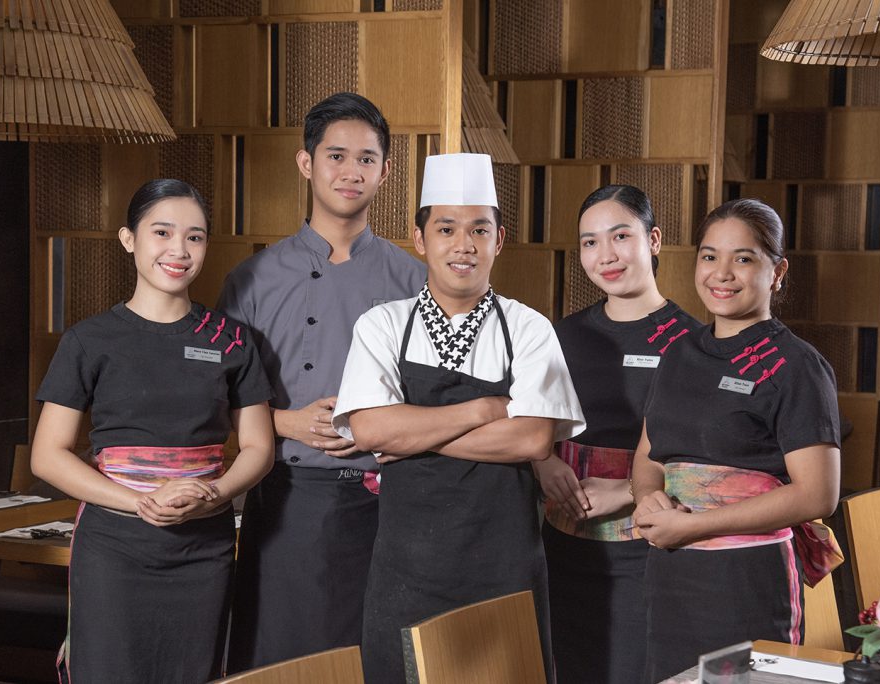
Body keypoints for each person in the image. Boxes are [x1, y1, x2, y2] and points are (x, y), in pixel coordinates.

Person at [332, 152, 586, 684]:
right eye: (446, 229)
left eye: (479, 230)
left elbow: (532, 440)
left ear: (499, 239)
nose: (463, 244)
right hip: (407, 569)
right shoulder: (382, 325)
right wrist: (484, 408)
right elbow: (369, 429)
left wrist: (408, 433)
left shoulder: (529, 328)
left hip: (504, 567)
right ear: (420, 239)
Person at [31, 179, 275, 683]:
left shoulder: (232, 341)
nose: (178, 250)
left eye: (194, 237)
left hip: (203, 546)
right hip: (113, 546)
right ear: (129, 239)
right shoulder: (88, 340)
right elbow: (48, 455)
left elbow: (258, 447)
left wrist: (214, 494)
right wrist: (140, 502)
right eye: (162, 232)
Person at [219, 92, 427, 670]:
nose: (351, 171)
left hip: (388, 502)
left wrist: (384, 429)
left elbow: (438, 398)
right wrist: (284, 421)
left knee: (375, 660)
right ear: (306, 163)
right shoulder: (252, 278)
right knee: (280, 661)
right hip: (286, 500)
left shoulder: (415, 280)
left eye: (366, 159)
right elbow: (215, 397)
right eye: (336, 156)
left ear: (386, 172)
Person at [618, 198, 842, 681]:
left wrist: (694, 527)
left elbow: (818, 494)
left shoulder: (798, 367)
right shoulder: (678, 353)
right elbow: (649, 456)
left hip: (746, 578)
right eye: (709, 256)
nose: (722, 273)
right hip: (669, 573)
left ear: (777, 271)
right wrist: (647, 497)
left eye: (743, 258)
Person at [533, 185, 701, 683]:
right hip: (561, 542)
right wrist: (543, 461)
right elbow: (529, 421)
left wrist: (629, 489)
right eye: (590, 242)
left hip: (648, 547)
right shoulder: (561, 337)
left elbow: (709, 457)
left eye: (620, 236)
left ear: (654, 240)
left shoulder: (693, 342)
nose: (605, 255)